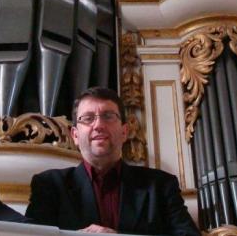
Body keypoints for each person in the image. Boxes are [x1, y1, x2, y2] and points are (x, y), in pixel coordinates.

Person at [26, 87, 200, 235]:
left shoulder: (161, 186)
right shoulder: (48, 185)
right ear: (75, 136)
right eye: (87, 118)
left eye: (108, 116)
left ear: (124, 132)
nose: (99, 125)